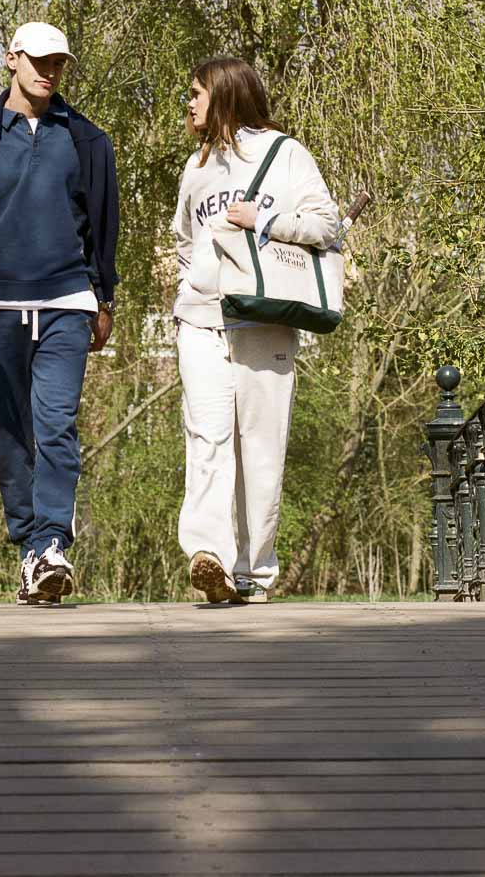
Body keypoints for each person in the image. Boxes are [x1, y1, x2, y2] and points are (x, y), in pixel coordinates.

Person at [0, 22, 118, 605]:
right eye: (39, 60)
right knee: (10, 432)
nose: (49, 71)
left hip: (67, 300)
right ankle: (30, 552)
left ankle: (52, 544)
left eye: (58, 63)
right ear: (12, 59)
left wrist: (103, 297)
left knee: (57, 424)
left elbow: (104, 224)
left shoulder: (87, 139)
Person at [173, 57, 338, 604]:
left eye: (197, 93)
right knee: (207, 438)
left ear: (224, 95)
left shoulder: (285, 153)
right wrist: (194, 284)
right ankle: (210, 555)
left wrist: (264, 221)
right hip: (201, 321)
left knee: (261, 449)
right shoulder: (196, 167)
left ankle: (254, 572)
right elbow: (184, 239)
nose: (189, 103)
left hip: (264, 321)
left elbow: (326, 225)